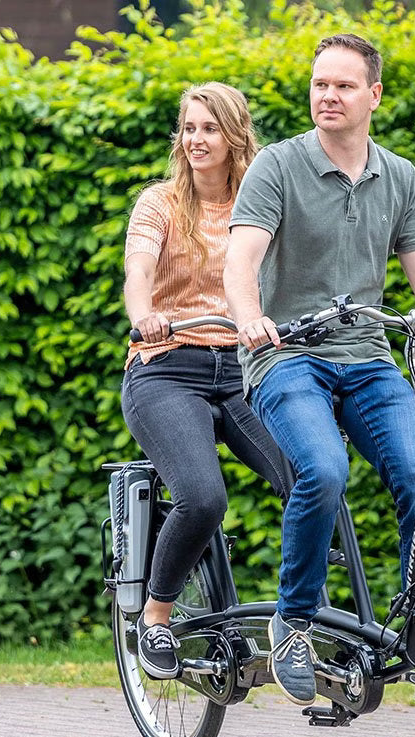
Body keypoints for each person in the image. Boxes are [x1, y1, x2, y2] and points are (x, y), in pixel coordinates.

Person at [223, 34, 415, 706]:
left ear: (374, 95)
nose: (328, 96)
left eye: (344, 85)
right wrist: (250, 316)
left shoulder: (400, 176)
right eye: (320, 84)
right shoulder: (277, 165)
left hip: (367, 357)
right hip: (286, 355)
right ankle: (294, 622)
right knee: (324, 469)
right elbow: (240, 261)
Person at [121, 82, 288, 680]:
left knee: (312, 477)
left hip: (244, 369)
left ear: (235, 136)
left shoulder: (259, 202)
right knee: (203, 496)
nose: (196, 139)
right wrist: (145, 315)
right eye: (188, 128)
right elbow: (138, 273)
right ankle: (156, 617)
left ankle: (299, 622)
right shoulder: (160, 203)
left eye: (209, 128)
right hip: (167, 367)